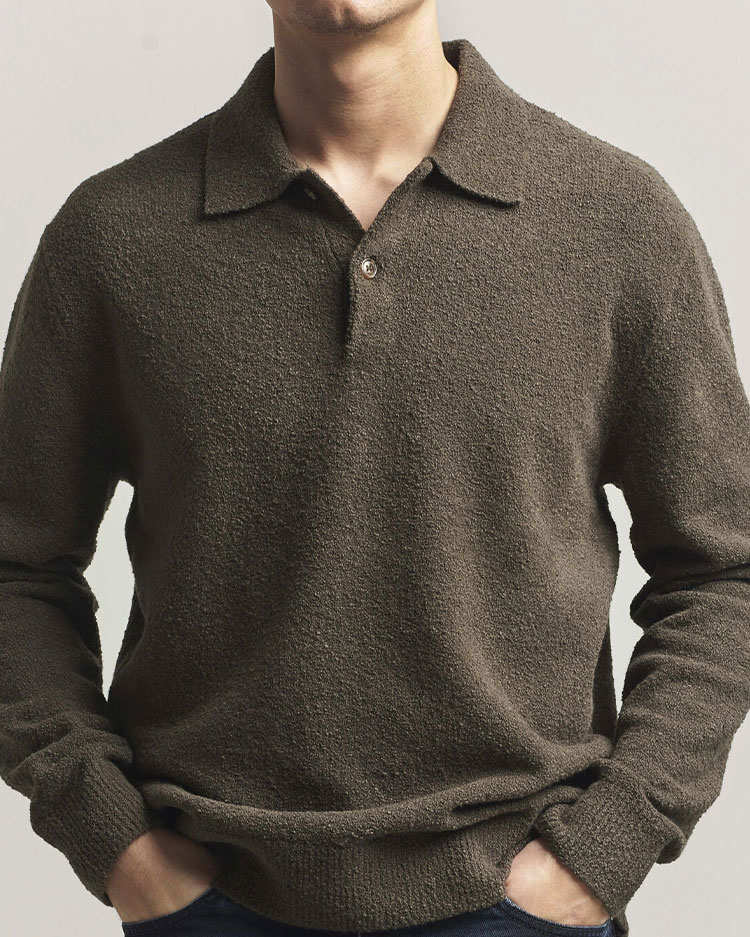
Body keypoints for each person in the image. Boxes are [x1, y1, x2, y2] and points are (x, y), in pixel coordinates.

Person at [1, 2, 748, 936]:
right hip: (209, 895)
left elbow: (724, 566)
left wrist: (609, 841)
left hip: (517, 897)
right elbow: (16, 566)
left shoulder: (616, 220)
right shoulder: (112, 236)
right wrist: (111, 835)